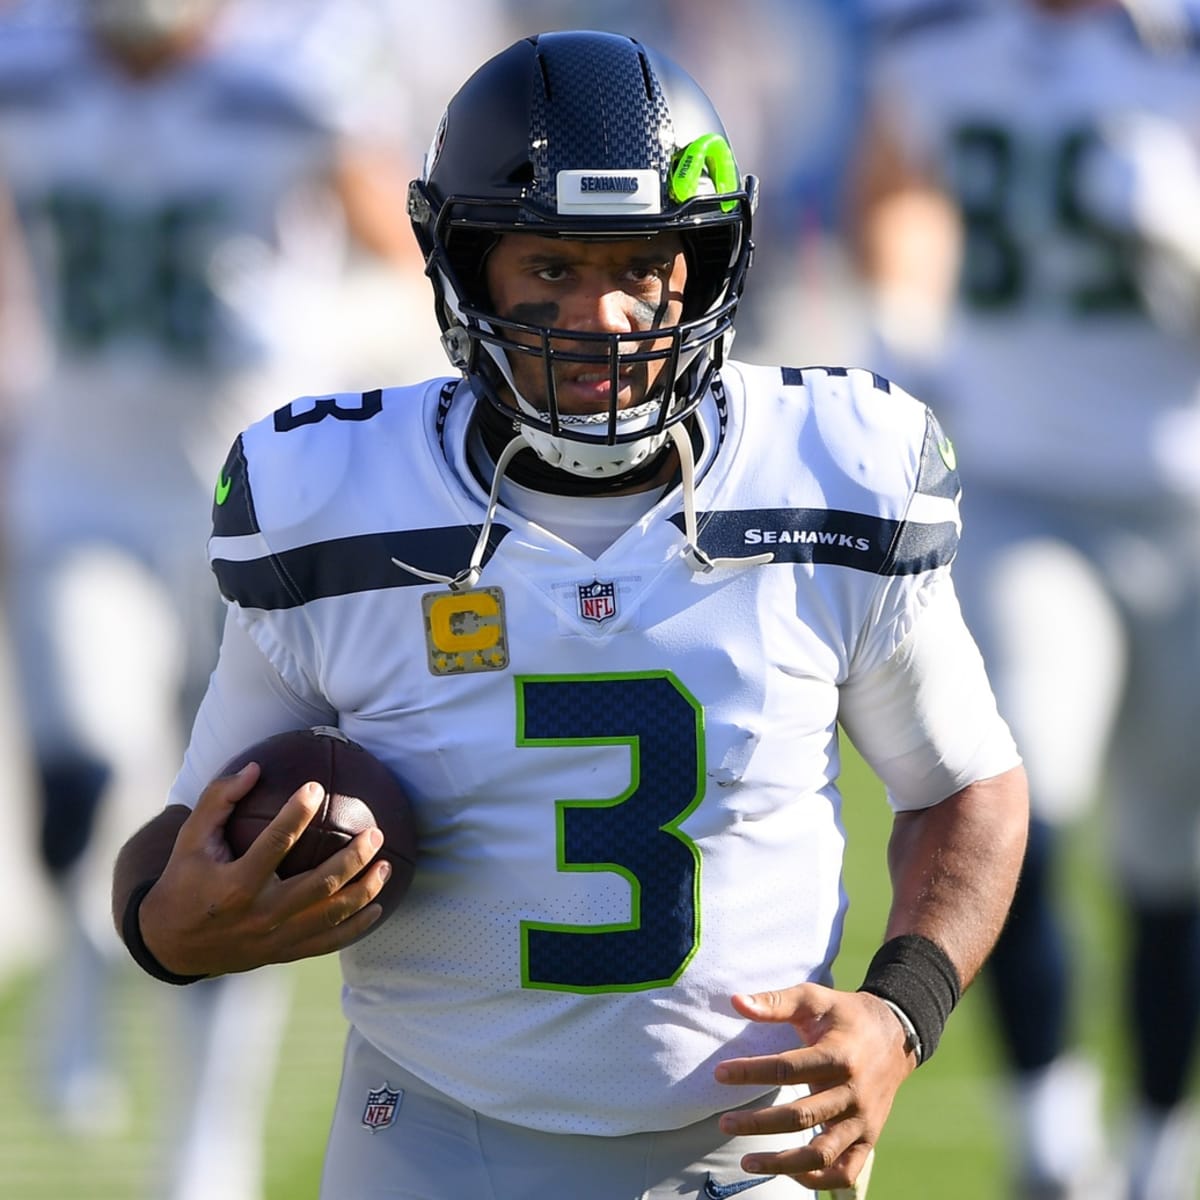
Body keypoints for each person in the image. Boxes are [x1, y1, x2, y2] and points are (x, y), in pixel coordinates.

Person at [111, 29, 1028, 1200]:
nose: (603, 315)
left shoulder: (836, 473)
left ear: (704, 267)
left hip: (748, 1157)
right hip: (433, 1137)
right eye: (551, 268)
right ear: (467, 265)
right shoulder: (330, 501)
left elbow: (966, 787)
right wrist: (164, 929)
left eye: (641, 267)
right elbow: (182, 829)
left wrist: (901, 1012)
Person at [0, 0, 417, 1196]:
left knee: (239, 820)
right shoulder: (25, 71)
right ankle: (85, 959)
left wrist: (324, 352)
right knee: (79, 760)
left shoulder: (295, 80)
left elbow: (401, 270)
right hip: (81, 483)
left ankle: (202, 1142)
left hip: (255, 512)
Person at [849, 1, 1200, 1197]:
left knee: (1173, 854)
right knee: (1016, 792)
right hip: (1020, 487)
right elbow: (894, 182)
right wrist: (905, 318)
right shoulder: (939, 39)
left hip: (1186, 499)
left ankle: (1160, 1138)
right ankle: (1047, 1128)